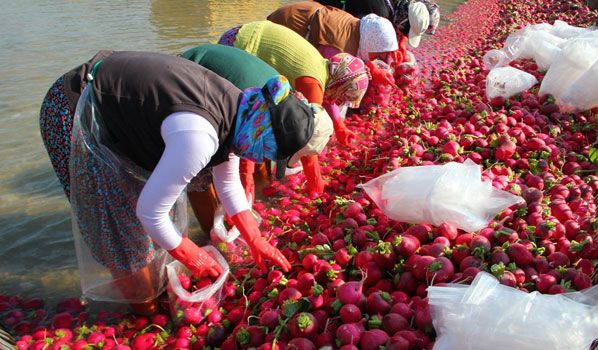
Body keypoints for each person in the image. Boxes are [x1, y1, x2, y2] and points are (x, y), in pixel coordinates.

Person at [39, 51, 321, 314]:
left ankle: (149, 294)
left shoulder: (246, 113)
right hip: (73, 108)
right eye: (270, 154)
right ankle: (141, 308)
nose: (262, 161)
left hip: (114, 102)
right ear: (265, 135)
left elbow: (228, 184)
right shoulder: (200, 137)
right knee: (117, 226)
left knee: (146, 216)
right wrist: (190, 254)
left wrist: (256, 240)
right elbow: (150, 212)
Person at [180, 43, 333, 232]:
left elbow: (252, 149)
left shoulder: (287, 105)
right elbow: (240, 154)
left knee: (241, 156)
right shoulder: (255, 115)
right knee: (200, 175)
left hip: (222, 76)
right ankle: (211, 232)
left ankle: (225, 216)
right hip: (191, 72)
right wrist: (246, 186)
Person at [219, 20, 371, 195]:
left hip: (246, 31)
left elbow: (326, 101)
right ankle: (247, 184)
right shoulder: (312, 83)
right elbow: (305, 137)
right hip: (242, 44)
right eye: (343, 96)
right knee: (248, 122)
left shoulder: (325, 70)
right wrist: (316, 184)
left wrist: (339, 127)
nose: (339, 102)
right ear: (339, 84)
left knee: (265, 120)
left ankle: (260, 180)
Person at [267, 1, 398, 63]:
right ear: (371, 42)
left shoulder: (357, 26)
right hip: (287, 23)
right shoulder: (342, 49)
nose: (381, 57)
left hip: (300, 10)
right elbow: (328, 81)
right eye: (381, 51)